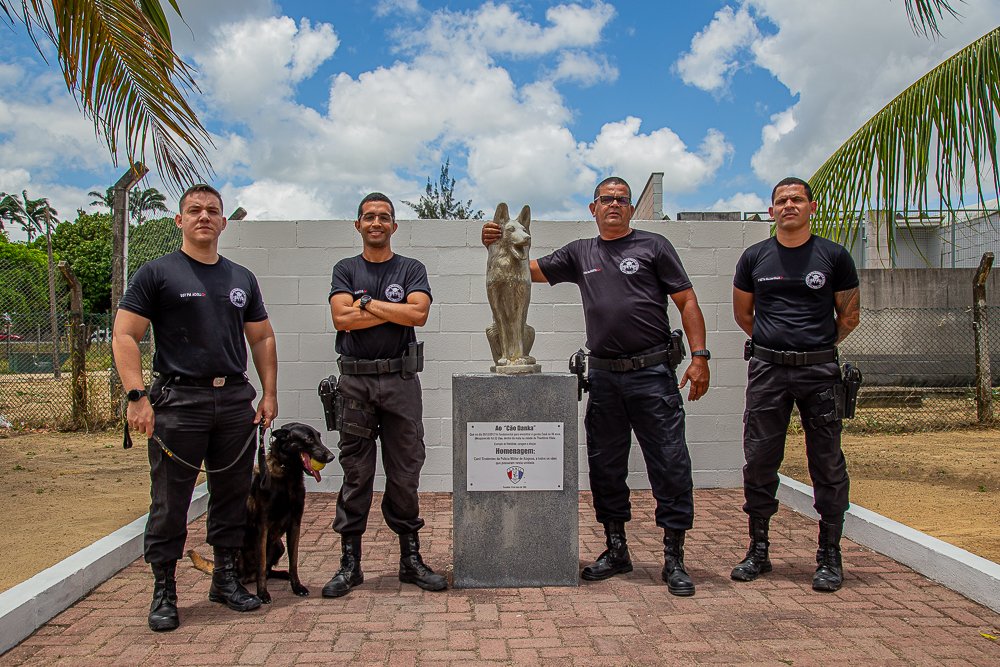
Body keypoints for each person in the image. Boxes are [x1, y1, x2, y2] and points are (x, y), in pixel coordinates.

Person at [481, 176, 711, 596]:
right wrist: (495, 245)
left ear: (630, 208)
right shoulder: (580, 252)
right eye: (607, 199)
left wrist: (700, 356)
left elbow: (687, 301)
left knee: (670, 464)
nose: (614, 205)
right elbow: (524, 270)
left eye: (622, 199)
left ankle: (674, 558)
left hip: (652, 375)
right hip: (603, 377)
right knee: (606, 467)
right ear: (594, 208)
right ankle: (616, 549)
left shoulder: (655, 246)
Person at [112, 183, 278, 631]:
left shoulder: (242, 278)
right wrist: (136, 396)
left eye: (212, 210)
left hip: (234, 400)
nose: (204, 216)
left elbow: (262, 337)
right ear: (179, 220)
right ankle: (164, 590)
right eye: (194, 210)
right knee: (170, 502)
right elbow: (125, 334)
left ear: (224, 222)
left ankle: (225, 579)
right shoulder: (157, 273)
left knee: (232, 496)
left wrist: (269, 393)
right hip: (178, 401)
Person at [731, 176, 860, 592]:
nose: (789, 205)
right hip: (767, 371)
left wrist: (814, 348)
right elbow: (744, 315)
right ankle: (759, 551)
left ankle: (829, 556)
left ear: (811, 207)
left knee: (827, 461)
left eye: (797, 199)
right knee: (760, 458)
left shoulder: (834, 256)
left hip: (819, 373)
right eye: (782, 200)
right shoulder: (754, 258)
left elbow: (849, 316)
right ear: (771, 211)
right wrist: (777, 347)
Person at [322, 192, 447, 598]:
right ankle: (350, 564)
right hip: (355, 383)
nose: (376, 223)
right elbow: (340, 318)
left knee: (405, 473)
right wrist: (390, 311)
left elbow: (418, 314)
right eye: (369, 217)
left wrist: (365, 305)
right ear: (357, 224)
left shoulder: (411, 268)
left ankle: (410, 560)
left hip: (400, 382)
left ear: (394, 225)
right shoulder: (345, 269)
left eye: (383, 217)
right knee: (356, 474)